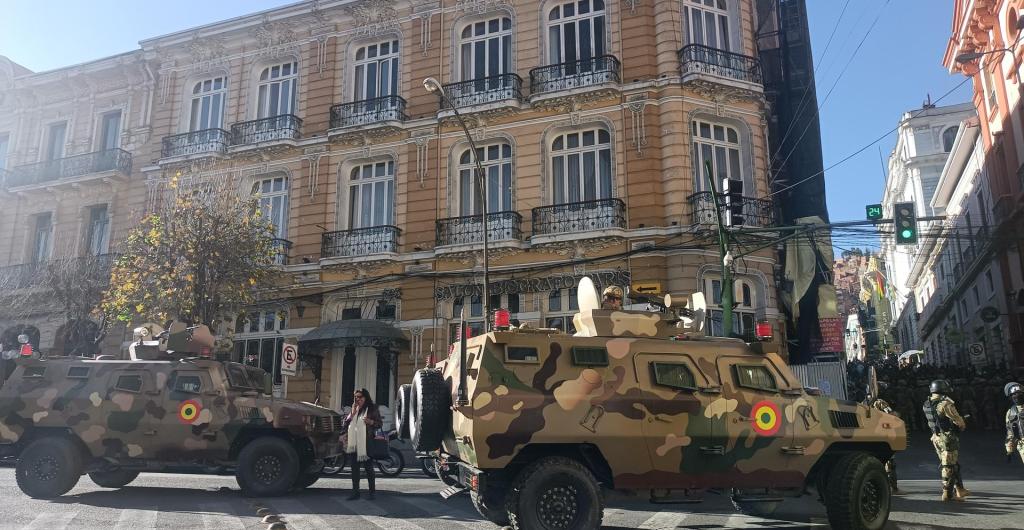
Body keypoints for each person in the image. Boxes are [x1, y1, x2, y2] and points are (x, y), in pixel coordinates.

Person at [923, 379, 968, 501]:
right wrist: (962, 423)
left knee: (952, 464)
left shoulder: (926, 403)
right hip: (947, 437)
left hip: (935, 438)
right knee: (948, 466)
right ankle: (947, 493)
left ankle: (960, 490)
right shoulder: (945, 404)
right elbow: (959, 422)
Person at [342, 388, 383, 500]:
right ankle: (355, 492)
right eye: (356, 397)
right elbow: (345, 424)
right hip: (353, 443)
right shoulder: (354, 408)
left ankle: (372, 492)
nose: (357, 399)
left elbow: (379, 423)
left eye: (360, 397)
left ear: (365, 397)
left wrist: (371, 422)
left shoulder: (372, 408)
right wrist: (352, 413)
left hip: (366, 442)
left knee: (369, 468)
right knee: (354, 469)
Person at [867, 383, 901, 493]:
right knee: (890, 462)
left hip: (870, 436)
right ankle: (893, 487)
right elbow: (891, 414)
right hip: (883, 435)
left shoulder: (864, 402)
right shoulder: (880, 402)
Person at [1004, 382, 1024, 464]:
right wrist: (1009, 449)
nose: (1017, 396)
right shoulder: (1011, 412)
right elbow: (1010, 432)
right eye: (1014, 394)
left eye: (1019, 393)